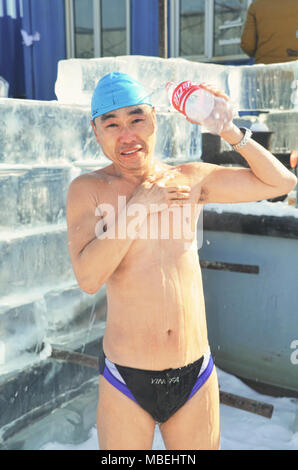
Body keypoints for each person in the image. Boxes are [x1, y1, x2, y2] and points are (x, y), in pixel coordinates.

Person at [66, 72, 297, 450]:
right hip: (127, 378)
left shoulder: (188, 180)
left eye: (136, 119)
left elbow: (280, 183)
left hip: (194, 375)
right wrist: (141, 205)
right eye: (112, 124)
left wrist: (229, 130)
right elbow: (89, 277)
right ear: (96, 132)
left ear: (154, 120)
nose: (127, 135)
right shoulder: (88, 191)